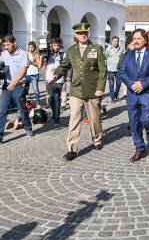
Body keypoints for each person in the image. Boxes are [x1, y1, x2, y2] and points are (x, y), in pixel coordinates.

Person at [49, 23, 107, 160]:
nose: (83, 35)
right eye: (80, 33)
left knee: (94, 118)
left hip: (93, 89)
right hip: (76, 89)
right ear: (76, 35)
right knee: (74, 119)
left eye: (85, 32)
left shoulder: (96, 49)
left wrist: (100, 88)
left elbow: (103, 70)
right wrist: (56, 75)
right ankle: (72, 148)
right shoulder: (72, 50)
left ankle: (97, 139)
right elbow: (64, 65)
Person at [119, 29, 149, 162]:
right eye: (134, 39)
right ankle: (140, 149)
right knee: (134, 122)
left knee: (147, 120)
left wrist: (143, 84)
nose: (135, 41)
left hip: (148, 93)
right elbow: (122, 72)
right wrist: (132, 84)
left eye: (138, 38)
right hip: (132, 94)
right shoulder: (128, 55)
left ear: (145, 40)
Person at [0, 35, 33, 145]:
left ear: (14, 42)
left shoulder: (23, 54)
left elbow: (24, 71)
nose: (6, 47)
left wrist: (14, 82)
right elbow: (0, 67)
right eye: (4, 45)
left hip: (18, 85)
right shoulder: (3, 54)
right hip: (6, 86)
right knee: (2, 111)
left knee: (22, 108)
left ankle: (28, 127)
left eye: (8, 45)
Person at [43, 38, 65, 126]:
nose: (56, 47)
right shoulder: (48, 54)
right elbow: (40, 65)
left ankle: (57, 117)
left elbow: (65, 66)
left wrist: (57, 69)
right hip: (48, 79)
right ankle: (54, 112)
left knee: (56, 97)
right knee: (50, 98)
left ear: (60, 46)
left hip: (59, 79)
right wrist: (41, 55)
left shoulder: (63, 55)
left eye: (58, 45)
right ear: (51, 45)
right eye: (54, 45)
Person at [24, 41, 42, 107]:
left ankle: (37, 102)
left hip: (34, 74)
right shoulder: (25, 54)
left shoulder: (36, 54)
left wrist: (31, 62)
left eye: (32, 47)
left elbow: (38, 64)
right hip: (26, 74)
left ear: (34, 48)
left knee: (36, 89)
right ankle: (25, 102)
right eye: (29, 47)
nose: (31, 49)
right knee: (25, 89)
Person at [105, 36, 123, 103]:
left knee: (118, 83)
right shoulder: (108, 49)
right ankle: (112, 98)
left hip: (118, 70)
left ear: (118, 42)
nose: (115, 42)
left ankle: (116, 95)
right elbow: (105, 58)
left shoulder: (121, 49)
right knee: (111, 84)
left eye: (116, 41)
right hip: (110, 70)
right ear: (111, 42)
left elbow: (122, 58)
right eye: (114, 41)